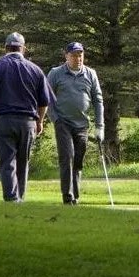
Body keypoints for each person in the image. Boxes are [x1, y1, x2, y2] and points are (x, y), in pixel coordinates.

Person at [0, 32, 53, 202]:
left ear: (5, 48)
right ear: (23, 48)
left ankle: (11, 199)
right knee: (23, 162)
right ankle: (20, 198)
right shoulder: (35, 69)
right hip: (28, 123)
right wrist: (39, 122)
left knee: (7, 161)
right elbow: (44, 103)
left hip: (4, 121)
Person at [46, 42, 105, 205]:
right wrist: (55, 119)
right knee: (67, 157)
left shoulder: (91, 74)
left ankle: (76, 196)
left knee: (78, 160)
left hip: (82, 125)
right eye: (73, 55)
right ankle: (68, 197)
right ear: (66, 56)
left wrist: (100, 127)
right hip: (62, 122)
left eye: (80, 55)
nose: (77, 58)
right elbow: (47, 98)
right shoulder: (55, 73)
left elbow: (98, 100)